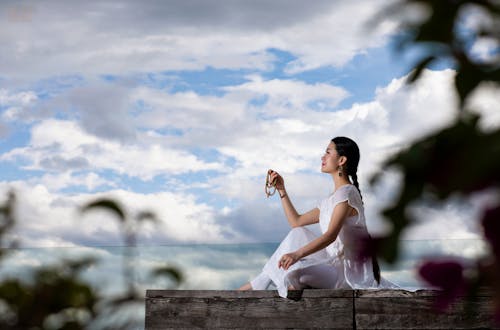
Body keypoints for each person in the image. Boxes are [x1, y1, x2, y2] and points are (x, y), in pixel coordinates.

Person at [238, 136, 396, 298]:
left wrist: (297, 255)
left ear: (341, 160)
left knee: (294, 274)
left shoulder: (347, 193)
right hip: (331, 264)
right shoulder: (330, 200)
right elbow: (296, 222)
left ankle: (257, 286)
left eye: (328, 152)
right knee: (298, 233)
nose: (323, 157)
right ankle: (262, 284)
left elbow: (330, 236)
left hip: (347, 274)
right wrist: (281, 189)